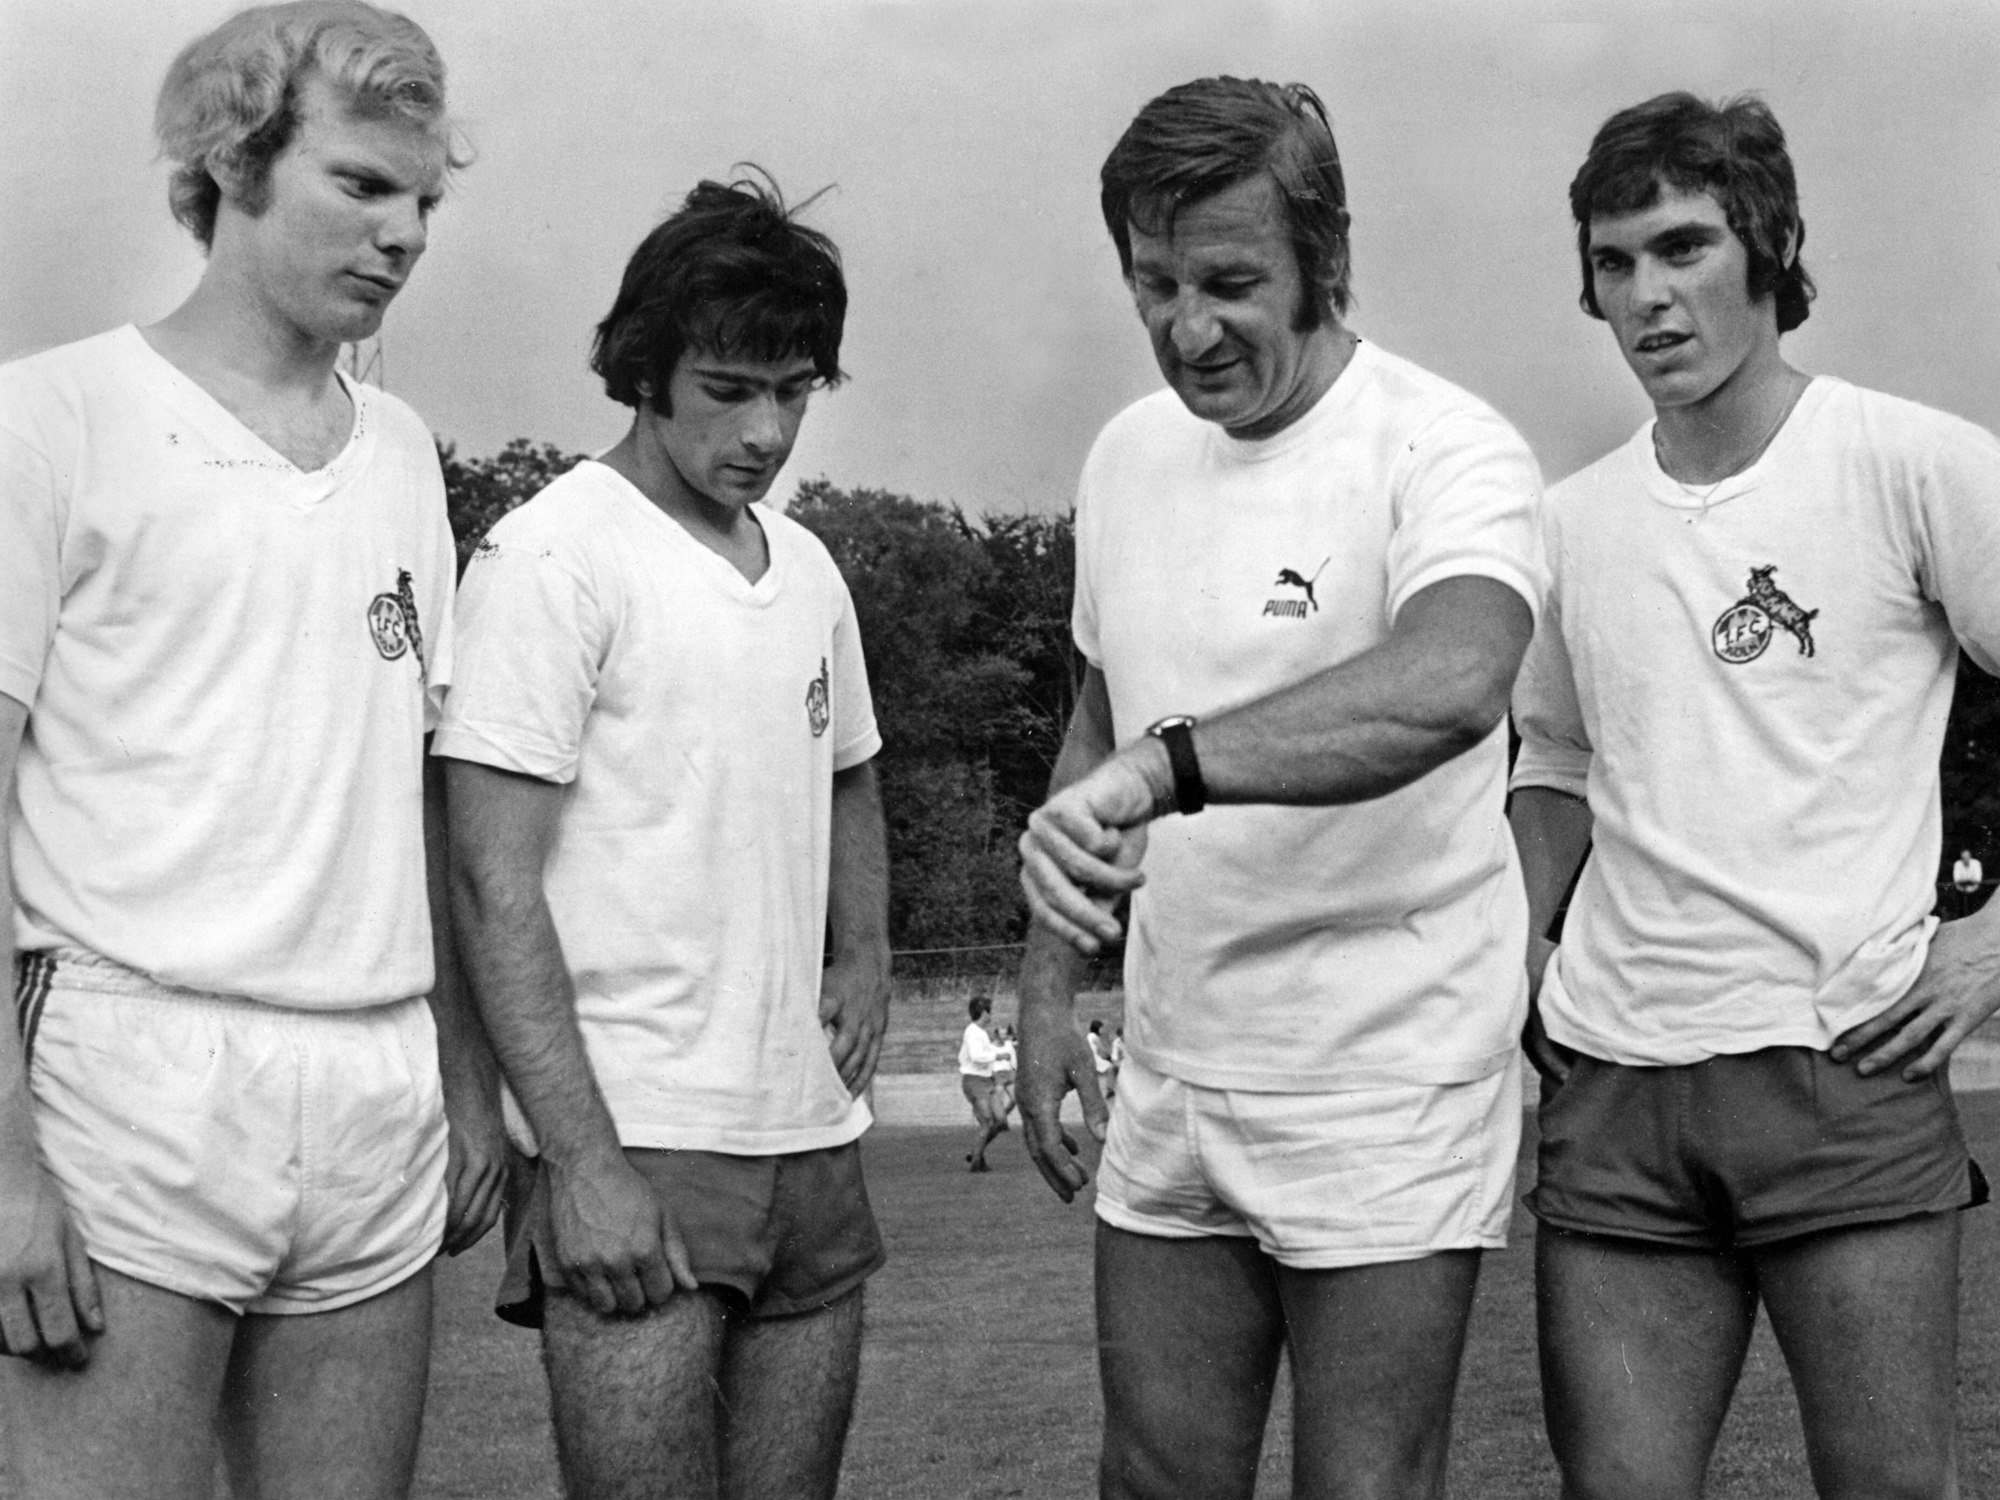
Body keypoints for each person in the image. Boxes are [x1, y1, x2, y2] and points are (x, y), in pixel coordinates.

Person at [1014, 76, 1544, 1499]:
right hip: (1176, 1061)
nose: (1188, 329)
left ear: (1326, 256)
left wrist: (1170, 765)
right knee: (1153, 1478)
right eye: (1155, 283)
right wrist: (1051, 987)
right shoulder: (1126, 455)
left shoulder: (1445, 445)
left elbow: (1454, 679)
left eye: (1231, 283)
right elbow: (1098, 723)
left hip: (1385, 1071)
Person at [0, 6, 506, 1497]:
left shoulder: (400, 450)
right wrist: (4, 1159)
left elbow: (416, 796)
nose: (406, 234)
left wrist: (460, 1071)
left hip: (372, 1080)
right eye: (363, 185)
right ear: (233, 165)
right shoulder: (51, 418)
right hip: (131, 1069)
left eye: (425, 200)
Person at [1510, 92, 2000, 1500]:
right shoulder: (1568, 522)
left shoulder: (1911, 463)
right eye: (1613, 264)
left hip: (1843, 1058)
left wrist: (1990, 937)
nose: (1646, 296)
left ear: (1769, 245)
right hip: (1613, 1078)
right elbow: (1557, 761)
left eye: (1683, 247)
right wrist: (1525, 950)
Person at [440, 173, 890, 1500]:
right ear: (643, 373)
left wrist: (866, 951)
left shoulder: (807, 569)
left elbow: (851, 772)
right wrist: (579, 1161)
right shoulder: (551, 558)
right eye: (728, 390)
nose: (765, 431)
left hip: (808, 1131)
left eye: (794, 391)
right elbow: (487, 879)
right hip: (636, 1131)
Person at [960, 995, 1009, 1172]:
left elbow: (984, 1057)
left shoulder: (980, 1032)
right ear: (983, 1012)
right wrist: (998, 1055)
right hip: (974, 1081)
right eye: (989, 1010)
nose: (991, 1014)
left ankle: (976, 1151)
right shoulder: (972, 1032)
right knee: (987, 1121)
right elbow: (976, 1056)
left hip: (987, 1079)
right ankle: (976, 1162)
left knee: (1001, 1121)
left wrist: (994, 1074)